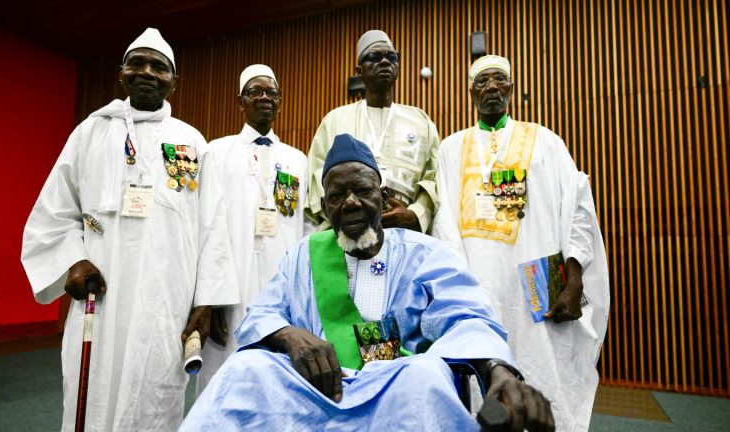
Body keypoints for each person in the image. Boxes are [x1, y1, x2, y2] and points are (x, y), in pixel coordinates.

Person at [182, 134, 554, 431]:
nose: (351, 203)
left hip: (395, 387)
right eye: (337, 196)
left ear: (382, 195)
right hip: (318, 390)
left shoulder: (424, 254)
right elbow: (262, 313)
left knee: (425, 376)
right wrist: (290, 336)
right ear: (325, 207)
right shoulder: (302, 256)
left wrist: (499, 373)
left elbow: (469, 318)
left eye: (362, 190)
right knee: (244, 370)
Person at [21, 28, 239, 431]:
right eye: (136, 62)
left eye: (159, 66)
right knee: (92, 397)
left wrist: (206, 302)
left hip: (166, 305)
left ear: (175, 81)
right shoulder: (90, 133)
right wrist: (74, 262)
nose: (146, 72)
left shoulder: (191, 142)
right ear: (120, 73)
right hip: (101, 301)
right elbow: (54, 211)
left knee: (154, 398)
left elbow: (213, 225)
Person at [432, 55, 610, 431]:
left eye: (500, 80)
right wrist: (458, 291)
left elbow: (577, 206)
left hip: (538, 293)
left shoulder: (546, 140)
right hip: (478, 290)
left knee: (544, 383)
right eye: (483, 82)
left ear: (512, 89)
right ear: (471, 93)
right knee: (483, 382)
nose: (492, 87)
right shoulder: (451, 148)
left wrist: (575, 275)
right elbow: (443, 224)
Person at [197, 64, 307, 394]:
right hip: (230, 290)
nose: (264, 98)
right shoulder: (215, 151)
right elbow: (207, 226)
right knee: (225, 379)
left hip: (280, 286)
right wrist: (210, 297)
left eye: (271, 92)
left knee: (277, 381)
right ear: (239, 101)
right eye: (254, 92)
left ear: (280, 101)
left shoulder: (297, 159)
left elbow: (305, 230)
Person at [305, 30, 440, 233]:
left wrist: (415, 214)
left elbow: (434, 178)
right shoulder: (335, 119)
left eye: (391, 57)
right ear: (359, 71)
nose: (385, 62)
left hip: (405, 234)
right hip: (346, 233)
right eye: (375, 57)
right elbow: (316, 180)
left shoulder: (421, 121)